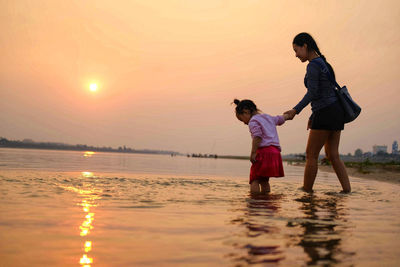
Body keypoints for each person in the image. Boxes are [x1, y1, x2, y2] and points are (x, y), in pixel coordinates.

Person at [284, 32, 351, 193]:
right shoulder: (324, 63)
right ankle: (347, 191)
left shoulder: (313, 65)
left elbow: (313, 93)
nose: (295, 55)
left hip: (325, 112)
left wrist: (295, 110)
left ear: (305, 46)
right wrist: (313, 115)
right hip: (336, 112)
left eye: (296, 50)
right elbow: (326, 92)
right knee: (332, 154)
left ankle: (307, 194)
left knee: (311, 155)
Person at [234, 99, 289, 194]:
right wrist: (289, 114)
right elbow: (282, 118)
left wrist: (253, 153)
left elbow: (257, 137)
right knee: (264, 180)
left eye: (242, 119)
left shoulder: (253, 121)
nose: (244, 123)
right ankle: (266, 201)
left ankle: (255, 202)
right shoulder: (268, 117)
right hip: (275, 152)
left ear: (246, 112)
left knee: (254, 179)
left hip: (264, 152)